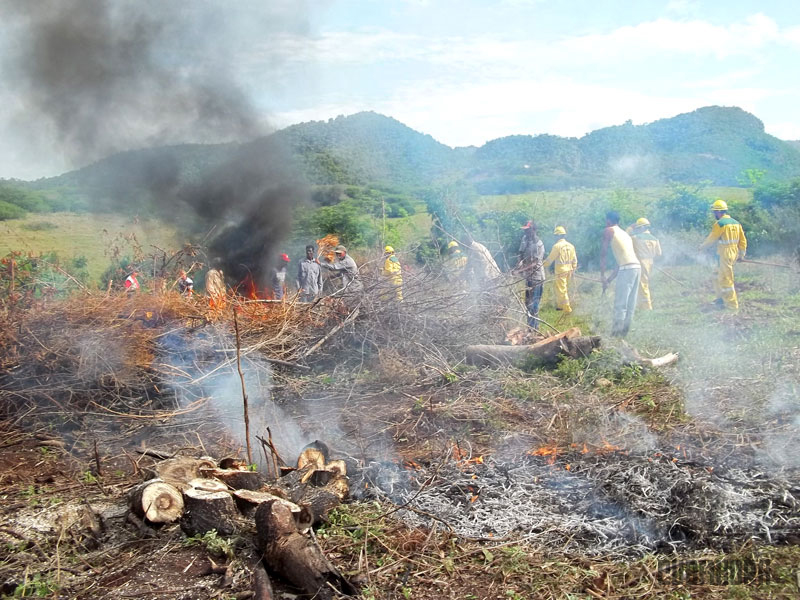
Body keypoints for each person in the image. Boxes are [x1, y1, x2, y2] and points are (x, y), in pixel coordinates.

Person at [698, 199, 747, 310]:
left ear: (719, 212)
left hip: (725, 253)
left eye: (715, 212)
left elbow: (712, 238)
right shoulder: (736, 223)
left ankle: (732, 305)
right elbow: (743, 240)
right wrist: (741, 254)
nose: (714, 214)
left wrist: (702, 247)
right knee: (716, 275)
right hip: (732, 253)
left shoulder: (720, 224)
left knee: (726, 279)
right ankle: (720, 299)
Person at [601, 211, 641, 337]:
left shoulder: (608, 230)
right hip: (636, 267)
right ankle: (624, 333)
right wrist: (609, 279)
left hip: (627, 268)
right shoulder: (625, 234)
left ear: (608, 220)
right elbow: (620, 262)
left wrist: (602, 275)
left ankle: (616, 334)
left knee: (620, 304)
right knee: (630, 304)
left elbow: (603, 253)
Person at [543, 226, 578, 313]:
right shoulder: (571, 246)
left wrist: (542, 265)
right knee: (561, 288)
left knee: (562, 290)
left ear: (558, 236)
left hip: (560, 271)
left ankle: (567, 309)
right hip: (569, 270)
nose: (554, 237)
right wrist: (573, 268)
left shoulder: (557, 246)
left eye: (555, 236)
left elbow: (550, 259)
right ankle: (560, 306)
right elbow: (575, 260)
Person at [518, 220, 545, 329]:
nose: (526, 232)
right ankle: (529, 327)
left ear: (534, 230)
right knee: (527, 303)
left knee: (533, 305)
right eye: (525, 230)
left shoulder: (538, 244)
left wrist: (521, 269)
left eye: (528, 230)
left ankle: (535, 328)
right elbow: (520, 252)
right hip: (528, 277)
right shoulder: (525, 239)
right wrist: (519, 263)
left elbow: (535, 263)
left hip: (537, 278)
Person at [630, 218, 662, 310]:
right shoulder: (655, 239)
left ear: (642, 228)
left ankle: (647, 307)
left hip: (641, 262)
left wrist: (629, 229)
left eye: (638, 228)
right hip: (650, 262)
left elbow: (626, 239)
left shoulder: (635, 238)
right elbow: (659, 253)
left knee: (642, 284)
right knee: (644, 283)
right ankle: (640, 305)